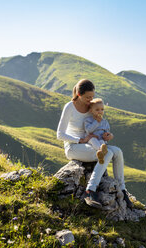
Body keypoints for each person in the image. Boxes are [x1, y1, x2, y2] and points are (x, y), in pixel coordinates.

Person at [56, 79, 133, 209]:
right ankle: (90, 190)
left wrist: (106, 135)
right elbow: (60, 134)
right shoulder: (70, 107)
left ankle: (122, 190)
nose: (90, 99)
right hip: (73, 146)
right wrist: (81, 140)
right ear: (79, 94)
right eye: (87, 97)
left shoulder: (92, 106)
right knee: (107, 152)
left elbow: (98, 125)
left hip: (93, 144)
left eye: (92, 96)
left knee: (118, 151)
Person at [84, 98, 111, 164]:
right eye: (97, 110)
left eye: (102, 109)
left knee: (102, 142)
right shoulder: (88, 120)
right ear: (91, 111)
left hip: (101, 138)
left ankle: (101, 152)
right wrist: (96, 122)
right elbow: (88, 130)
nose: (100, 112)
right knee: (93, 140)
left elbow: (107, 130)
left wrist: (106, 134)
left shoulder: (104, 121)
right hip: (91, 137)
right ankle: (101, 151)